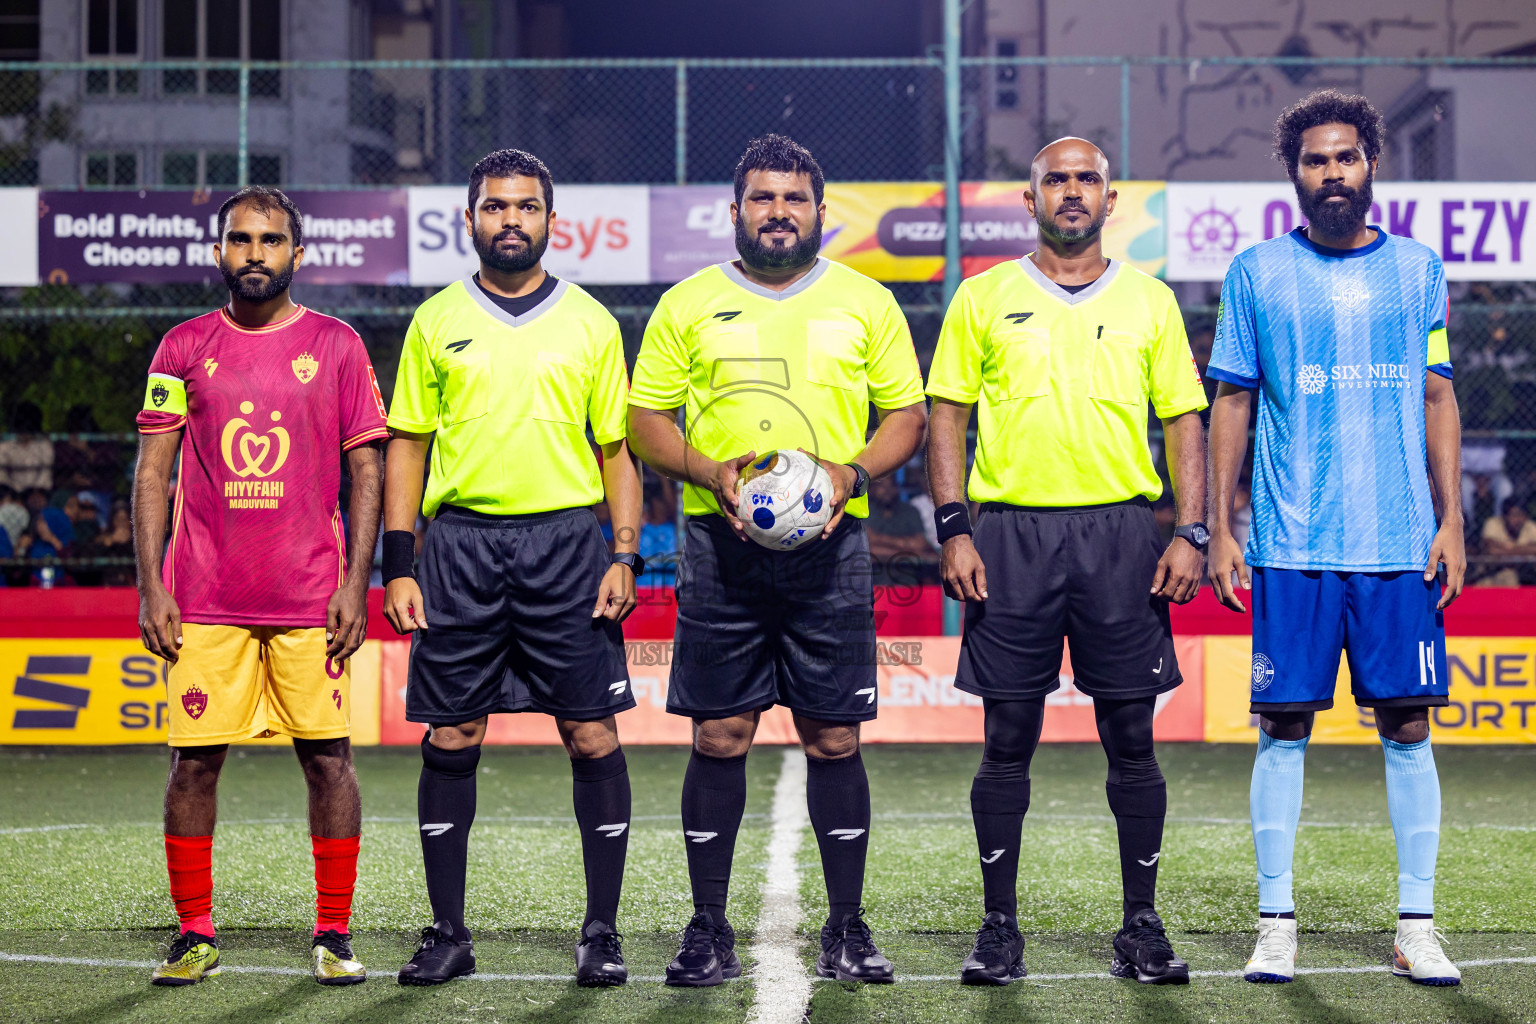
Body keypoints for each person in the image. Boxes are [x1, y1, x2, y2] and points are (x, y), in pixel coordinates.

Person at [628, 134, 927, 987]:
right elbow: (647, 419)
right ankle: (708, 927)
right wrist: (707, 470)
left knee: (834, 737)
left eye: (794, 199)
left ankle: (846, 927)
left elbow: (904, 415)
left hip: (832, 549)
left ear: (821, 213)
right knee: (719, 735)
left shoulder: (868, 303)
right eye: (763, 198)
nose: (779, 212)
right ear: (735, 212)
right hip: (718, 547)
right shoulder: (687, 303)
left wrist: (850, 473)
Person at [926, 137, 1208, 987]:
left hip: (1121, 537)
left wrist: (1191, 532)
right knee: (1008, 735)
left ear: (1110, 200)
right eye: (1058, 179)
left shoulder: (1151, 302)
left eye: (1088, 179)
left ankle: (1141, 927)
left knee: (1131, 732)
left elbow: (1185, 420)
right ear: (1032, 198)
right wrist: (954, 527)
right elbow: (946, 416)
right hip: (1009, 536)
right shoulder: (982, 298)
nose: (1074, 192)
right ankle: (999, 929)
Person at [1206, 90, 1465, 987]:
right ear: (1294, 173)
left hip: (1396, 541)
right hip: (1292, 539)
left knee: (1406, 724)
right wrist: (1221, 527)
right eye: (1315, 161)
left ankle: (1417, 924)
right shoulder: (1257, 273)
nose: (1332, 174)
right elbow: (1231, 399)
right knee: (1283, 725)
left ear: (1371, 164)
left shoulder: (1419, 271)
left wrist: (1452, 518)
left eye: (1345, 157)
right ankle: (1276, 920)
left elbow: (1437, 394)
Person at [384, 148, 643, 988]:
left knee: (591, 732)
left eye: (526, 207)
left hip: (568, 549)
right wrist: (400, 563)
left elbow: (618, 451)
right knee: (452, 733)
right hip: (459, 548)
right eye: (494, 207)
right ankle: (448, 932)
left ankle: (601, 931)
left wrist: (624, 553)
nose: (510, 220)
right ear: (470, 220)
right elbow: (407, 448)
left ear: (549, 221)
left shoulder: (592, 322)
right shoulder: (435, 321)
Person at [134, 186, 388, 986]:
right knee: (193, 766)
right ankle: (194, 931)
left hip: (312, 599)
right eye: (240, 240)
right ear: (218, 251)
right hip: (205, 601)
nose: (255, 254)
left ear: (296, 253)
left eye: (271, 240)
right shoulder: (180, 348)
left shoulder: (339, 345)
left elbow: (366, 468)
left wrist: (358, 583)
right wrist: (151, 586)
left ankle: (335, 931)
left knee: (329, 763)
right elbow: (153, 474)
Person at [1479, 498, 1536, 586]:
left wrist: (1509, 549)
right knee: (1508, 577)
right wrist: (1524, 550)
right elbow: (1491, 550)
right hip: (1493, 572)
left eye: (1522, 515)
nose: (1518, 520)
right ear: (1504, 516)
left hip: (1526, 573)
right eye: (1514, 515)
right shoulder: (1493, 523)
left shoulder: (1530, 525)